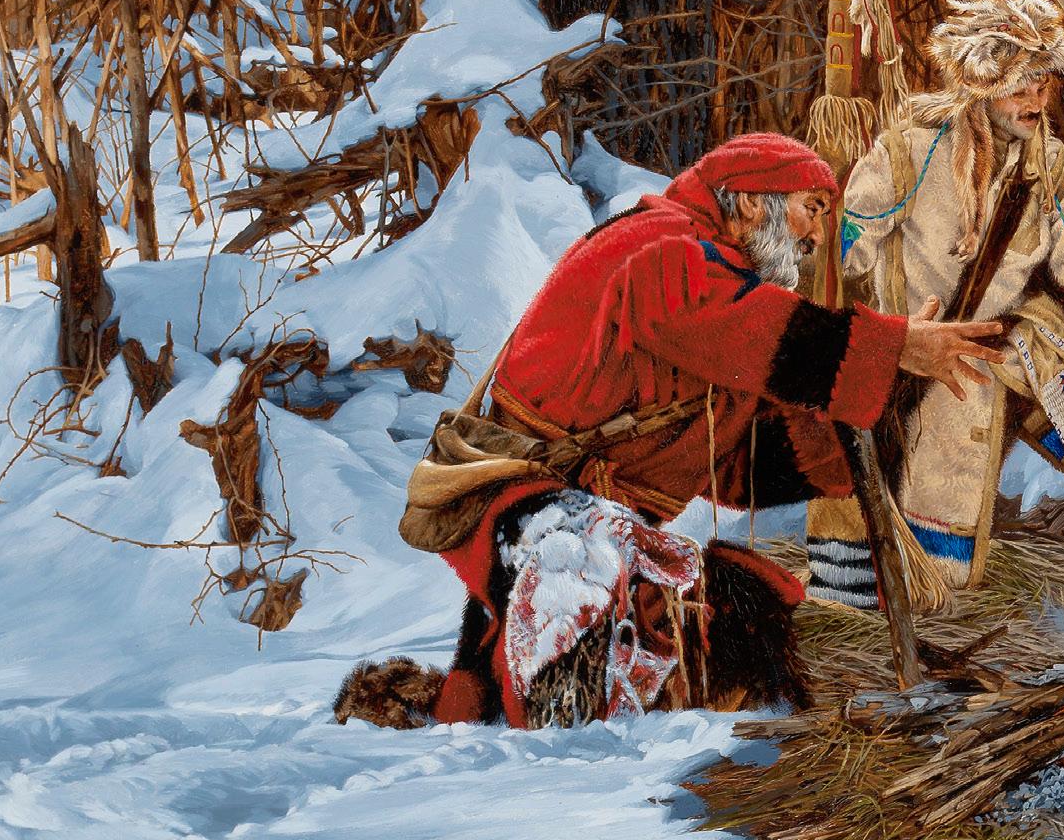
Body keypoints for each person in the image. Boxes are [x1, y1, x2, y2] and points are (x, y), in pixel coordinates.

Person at [400, 132, 1004, 727]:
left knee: (747, 609)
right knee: (644, 620)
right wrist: (888, 348)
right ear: (752, 203)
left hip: (585, 524)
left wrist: (858, 417)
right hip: (537, 519)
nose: (819, 236)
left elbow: (730, 466)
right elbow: (751, 330)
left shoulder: (716, 287)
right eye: (812, 209)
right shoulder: (663, 248)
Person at [806, 0, 1064, 608]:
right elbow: (845, 249)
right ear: (982, 87)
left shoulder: (1051, 168)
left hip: (1002, 342)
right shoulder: (912, 151)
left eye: (1043, 86)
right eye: (1020, 88)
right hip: (913, 350)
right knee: (922, 523)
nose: (1036, 102)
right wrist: (832, 268)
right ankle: (906, 587)